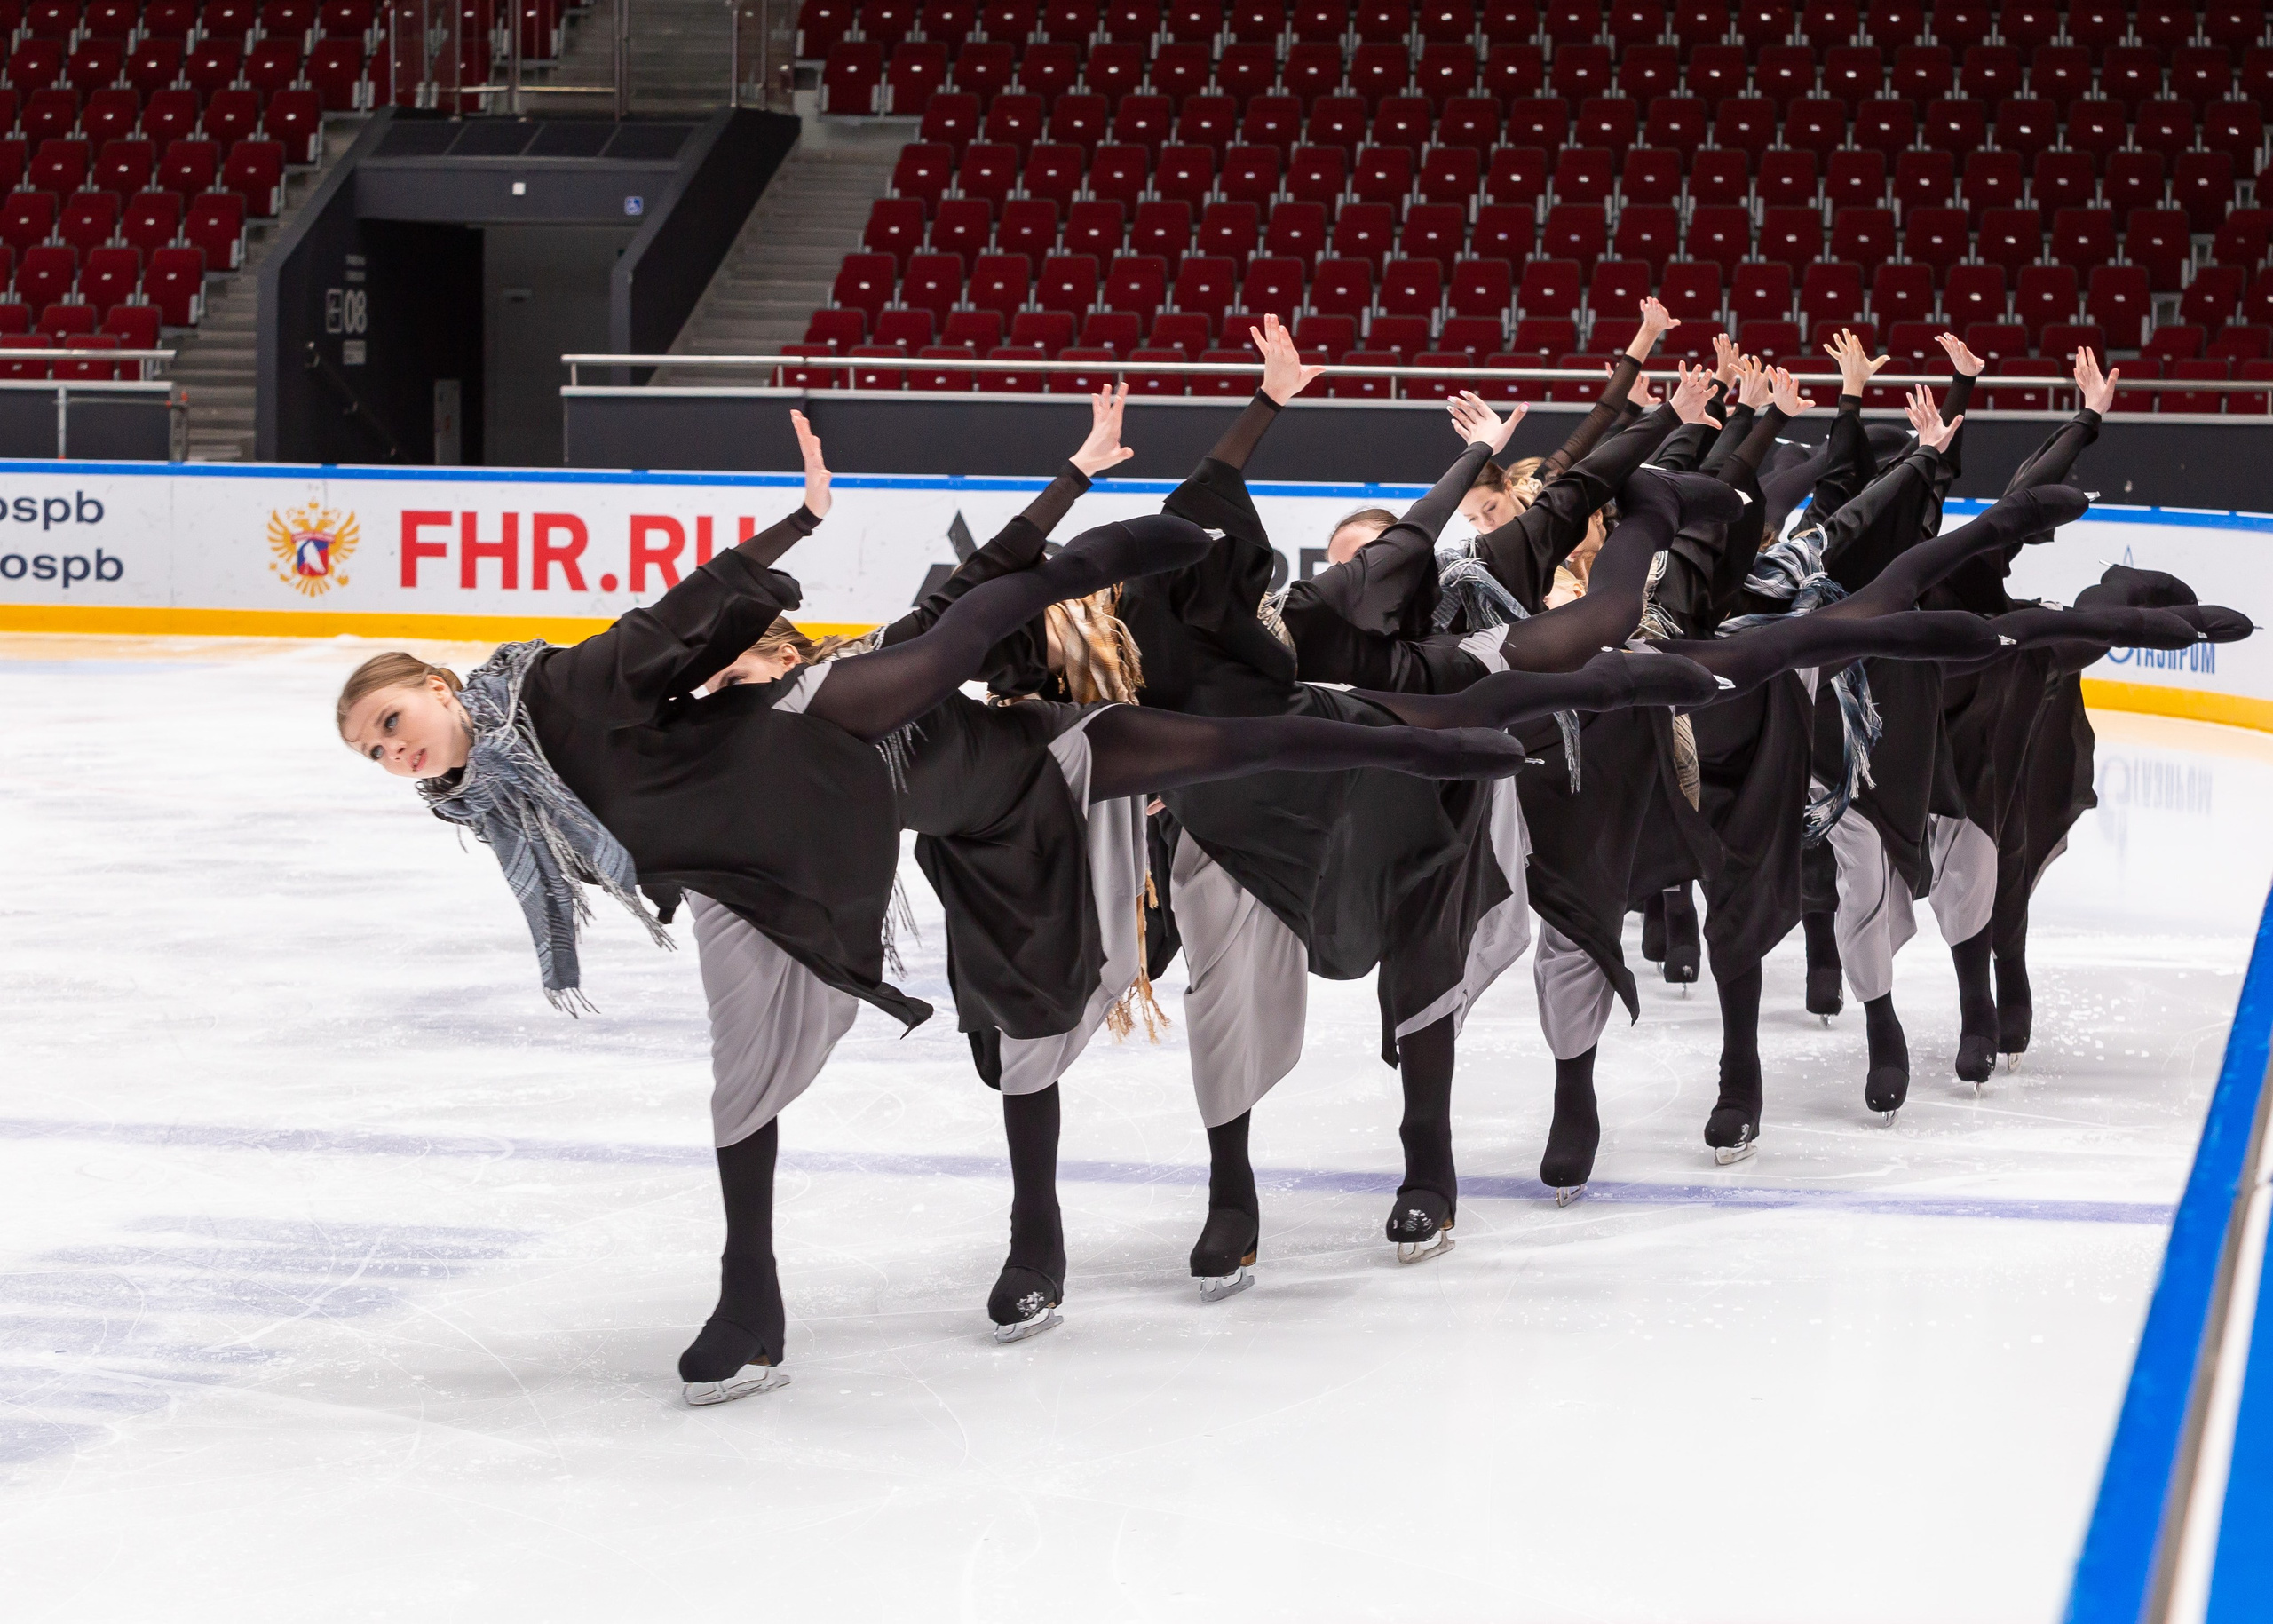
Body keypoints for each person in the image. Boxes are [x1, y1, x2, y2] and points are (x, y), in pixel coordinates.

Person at [337, 404, 1544, 1404]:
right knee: (805, 1069)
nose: (392, 751)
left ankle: (1412, 747)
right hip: (786, 869)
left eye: (391, 720)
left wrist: (835, 513)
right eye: (373, 752)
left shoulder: (604, 692)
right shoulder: (509, 805)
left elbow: (692, 617)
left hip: (977, 766)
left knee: (1173, 722)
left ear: (437, 682)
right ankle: (756, 1298)